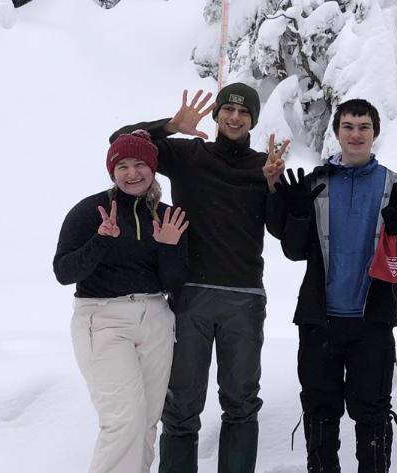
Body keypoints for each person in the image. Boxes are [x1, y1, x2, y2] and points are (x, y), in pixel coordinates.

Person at [109, 84, 288, 473]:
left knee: (241, 399)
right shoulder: (188, 154)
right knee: (181, 400)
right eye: (228, 110)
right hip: (191, 294)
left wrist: (274, 185)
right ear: (217, 114)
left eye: (244, 112)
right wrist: (169, 127)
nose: (235, 118)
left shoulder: (264, 165)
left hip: (244, 296)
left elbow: (279, 230)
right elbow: (121, 143)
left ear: (253, 120)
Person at [273, 99, 397, 473]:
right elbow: (293, 251)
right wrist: (298, 213)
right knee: (320, 411)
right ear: (337, 133)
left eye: (364, 127)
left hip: (372, 320)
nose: (356, 134)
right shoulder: (314, 183)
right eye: (348, 127)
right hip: (319, 319)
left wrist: (396, 230)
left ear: (375, 133)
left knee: (372, 412)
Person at [54, 130, 190, 473]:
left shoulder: (167, 216)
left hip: (156, 318)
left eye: (140, 164)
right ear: (112, 171)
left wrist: (169, 247)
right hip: (104, 320)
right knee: (123, 420)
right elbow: (64, 272)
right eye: (123, 166)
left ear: (153, 168)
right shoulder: (90, 212)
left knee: (145, 423)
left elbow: (173, 284)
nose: (132, 173)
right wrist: (101, 240)